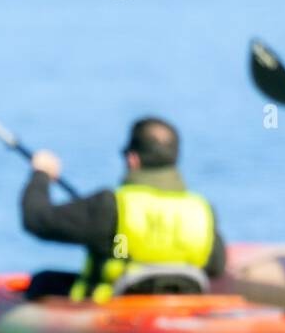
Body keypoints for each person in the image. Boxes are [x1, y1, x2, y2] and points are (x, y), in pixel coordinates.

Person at [20, 117, 226, 302]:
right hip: (181, 304)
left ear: (133, 159)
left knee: (43, 281)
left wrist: (41, 174)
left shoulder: (110, 206)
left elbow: (36, 219)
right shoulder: (201, 210)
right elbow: (216, 267)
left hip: (115, 307)